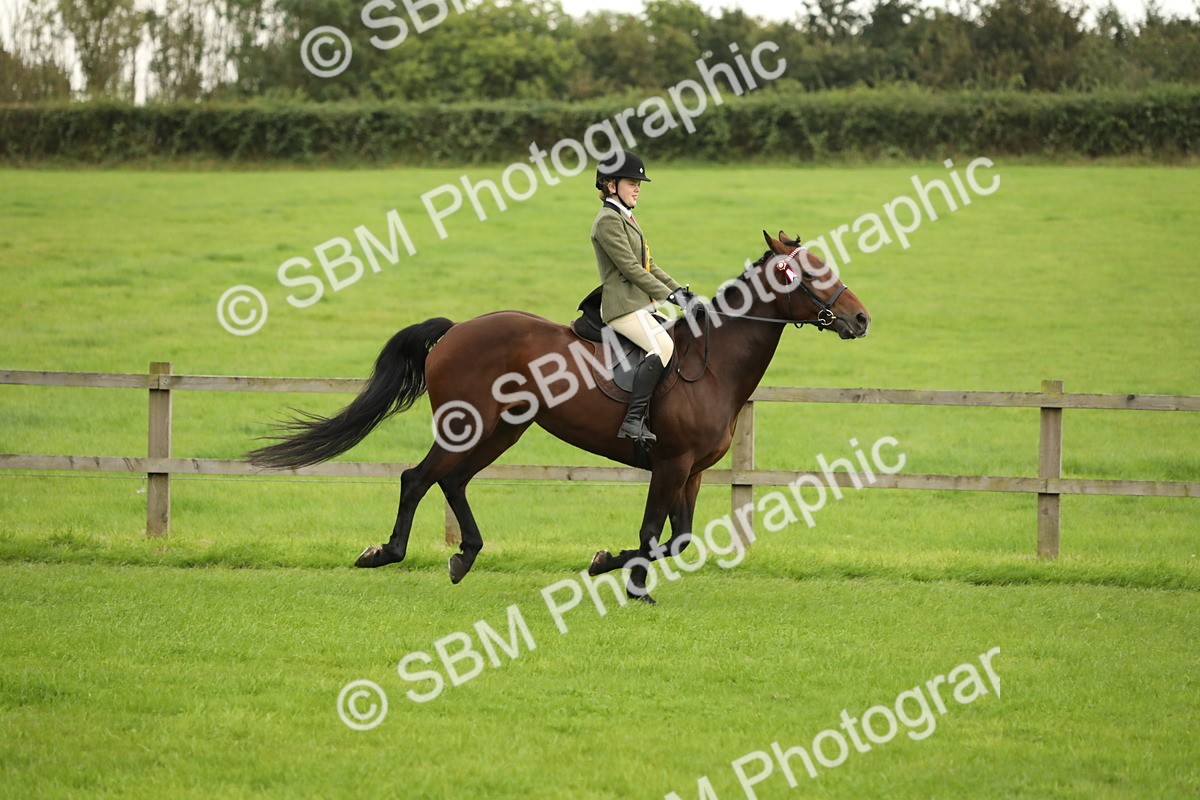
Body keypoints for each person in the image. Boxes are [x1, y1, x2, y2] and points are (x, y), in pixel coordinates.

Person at [590, 150, 694, 445]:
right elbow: (632, 270)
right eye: (632, 182)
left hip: (639, 305)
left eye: (639, 183)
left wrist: (682, 293)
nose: (638, 188)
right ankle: (632, 422)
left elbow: (650, 265)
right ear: (611, 186)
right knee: (661, 346)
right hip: (621, 307)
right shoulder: (607, 222)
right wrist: (673, 297)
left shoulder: (627, 218)